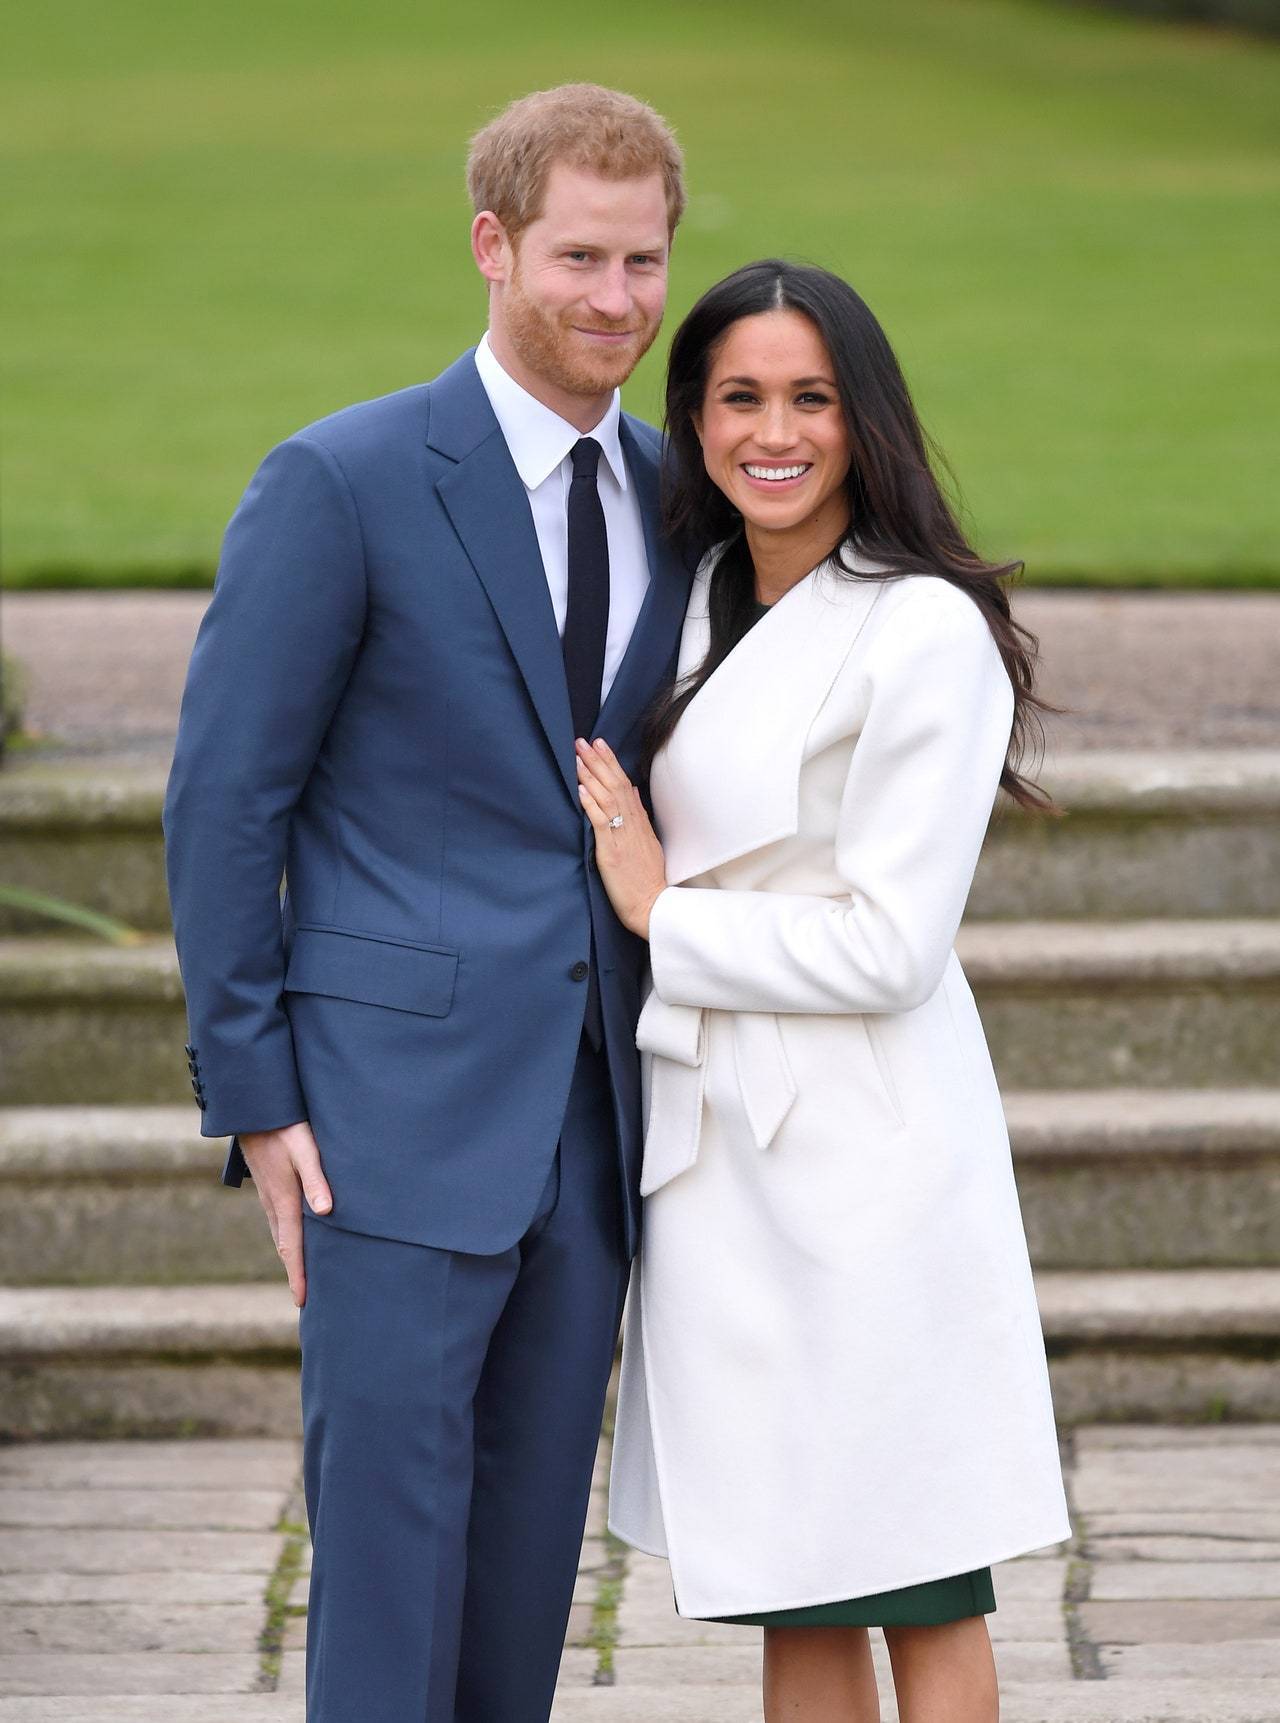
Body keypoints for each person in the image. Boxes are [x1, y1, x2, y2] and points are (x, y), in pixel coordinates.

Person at [162, 84, 692, 1723]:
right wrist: (256, 1100)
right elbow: (222, 801)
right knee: (388, 1587)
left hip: (597, 1130)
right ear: (492, 246)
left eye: (647, 262)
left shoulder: (684, 499)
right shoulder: (343, 480)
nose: (617, 301)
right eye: (580, 258)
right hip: (385, 1130)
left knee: (528, 1578)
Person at [576, 259, 1073, 1723]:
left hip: (863, 1161)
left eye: (812, 398)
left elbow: (888, 946)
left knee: (914, 1576)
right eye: (737, 397)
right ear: (694, 415)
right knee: (792, 1583)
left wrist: (671, 916)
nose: (772, 432)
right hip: (724, 1160)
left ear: (868, 421)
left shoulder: (921, 628)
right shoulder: (706, 594)